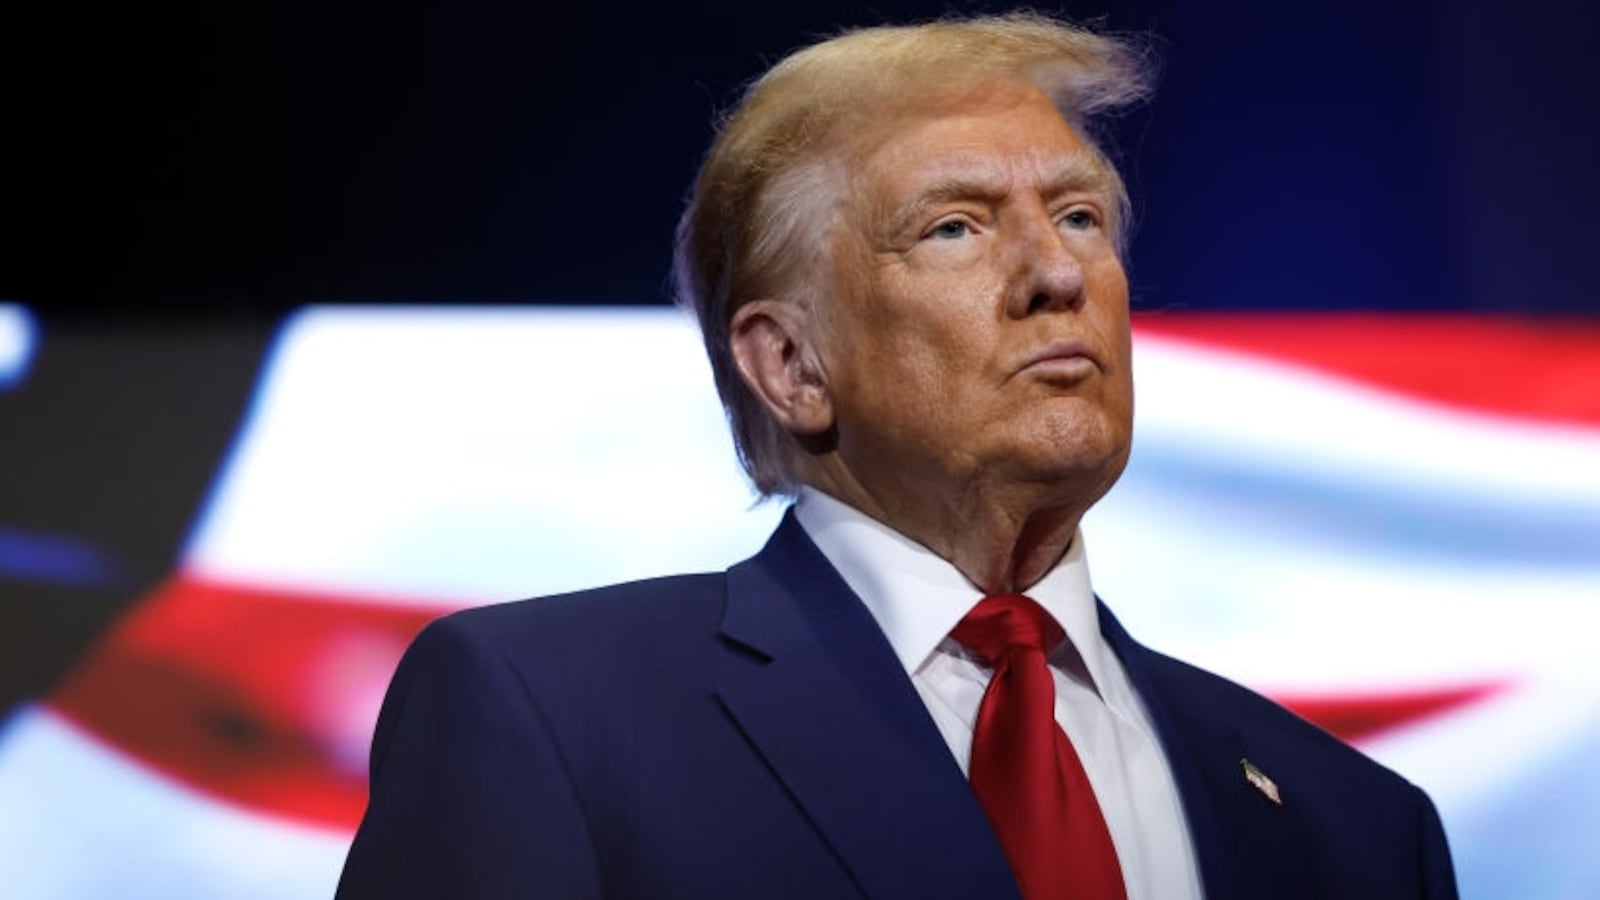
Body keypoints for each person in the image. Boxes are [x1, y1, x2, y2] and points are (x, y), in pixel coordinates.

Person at [336, 13, 1458, 899]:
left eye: (1078, 217)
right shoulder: (554, 717)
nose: (1055, 275)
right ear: (789, 364)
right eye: (954, 228)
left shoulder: (1352, 824)